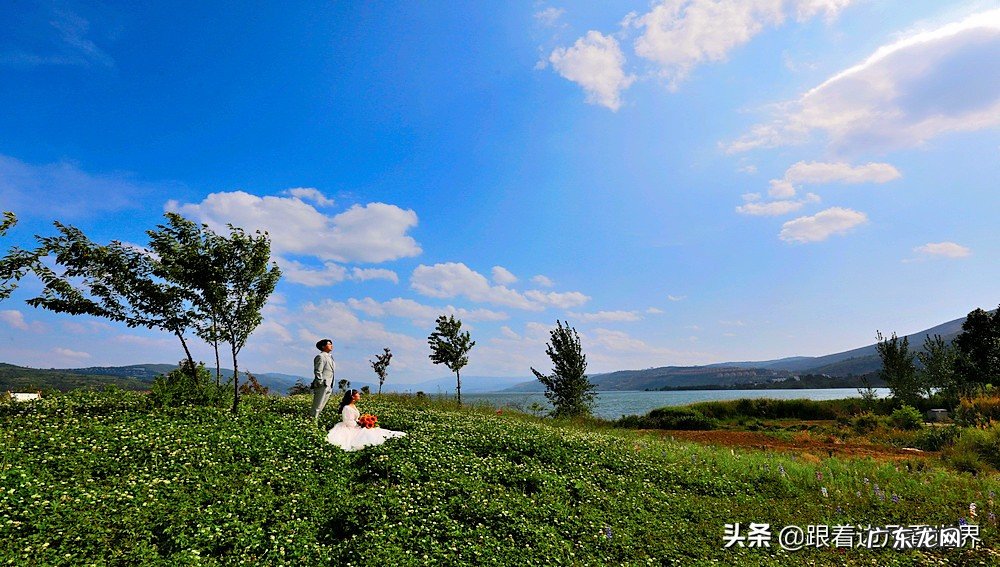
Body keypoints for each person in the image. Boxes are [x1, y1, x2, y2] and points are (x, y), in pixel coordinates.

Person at [326, 389, 406, 451]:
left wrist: (362, 421)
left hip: (356, 425)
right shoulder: (347, 408)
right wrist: (361, 424)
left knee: (375, 432)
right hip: (350, 428)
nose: (359, 395)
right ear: (353, 397)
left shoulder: (352, 405)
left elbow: (355, 419)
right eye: (358, 394)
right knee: (367, 434)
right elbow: (348, 422)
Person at [311, 339, 336, 424]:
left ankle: (315, 422)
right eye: (329, 344)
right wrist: (321, 382)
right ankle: (312, 423)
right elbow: (318, 371)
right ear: (323, 346)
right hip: (323, 385)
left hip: (329, 384)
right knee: (317, 406)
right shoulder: (321, 356)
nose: (331, 345)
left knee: (321, 406)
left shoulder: (330, 357)